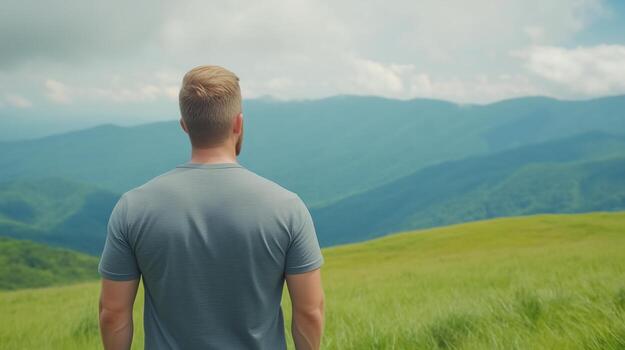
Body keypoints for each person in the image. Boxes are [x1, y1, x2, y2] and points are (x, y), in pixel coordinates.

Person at [97, 65, 325, 350]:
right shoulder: (288, 208)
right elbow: (310, 312)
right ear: (238, 123)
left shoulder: (132, 207)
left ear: (184, 125)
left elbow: (113, 313)